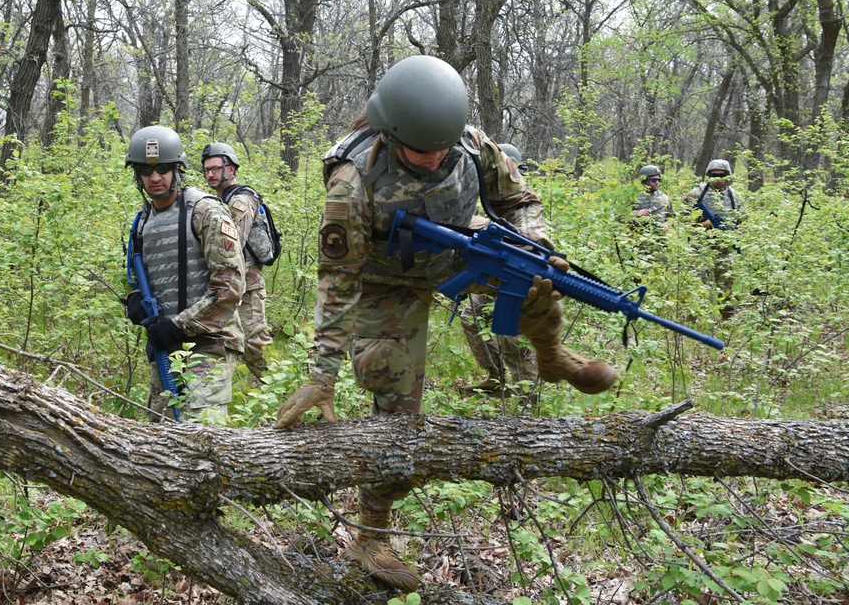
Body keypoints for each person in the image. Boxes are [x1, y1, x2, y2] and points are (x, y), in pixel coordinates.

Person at [274, 55, 617, 593]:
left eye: (443, 148)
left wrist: (538, 240)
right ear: (389, 133)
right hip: (389, 279)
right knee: (391, 392)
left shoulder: (470, 144)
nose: (436, 159)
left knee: (532, 275)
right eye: (421, 150)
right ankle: (372, 535)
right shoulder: (352, 180)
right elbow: (339, 280)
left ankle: (552, 355)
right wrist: (322, 374)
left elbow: (519, 200)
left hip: (458, 244)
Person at [123, 126, 246, 421]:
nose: (155, 177)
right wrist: (134, 302)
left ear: (177, 169)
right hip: (165, 347)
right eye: (146, 170)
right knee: (162, 436)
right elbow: (135, 279)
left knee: (201, 438)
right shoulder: (143, 221)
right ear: (137, 175)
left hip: (208, 342)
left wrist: (179, 324)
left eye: (163, 168)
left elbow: (229, 287)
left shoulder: (204, 211)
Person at [459, 143, 536, 398]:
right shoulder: (493, 197)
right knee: (471, 317)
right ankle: (496, 378)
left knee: (512, 338)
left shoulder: (526, 202)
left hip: (521, 275)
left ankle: (526, 397)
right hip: (497, 271)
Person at [201, 141, 273, 383]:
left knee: (256, 347)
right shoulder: (219, 200)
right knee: (224, 346)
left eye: (216, 169)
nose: (210, 174)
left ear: (230, 170)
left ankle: (285, 394)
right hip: (229, 285)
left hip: (247, 286)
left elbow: (232, 246)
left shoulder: (239, 201)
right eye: (207, 169)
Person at [683, 158, 743, 314]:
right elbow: (679, 220)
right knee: (697, 285)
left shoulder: (734, 196)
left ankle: (726, 319)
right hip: (700, 249)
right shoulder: (696, 194)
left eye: (721, 175)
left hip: (724, 249)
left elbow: (743, 221)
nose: (717, 178)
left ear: (727, 176)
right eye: (714, 175)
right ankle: (694, 318)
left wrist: (735, 236)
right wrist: (701, 225)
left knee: (726, 286)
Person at [631, 164, 674, 230]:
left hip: (660, 237)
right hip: (636, 236)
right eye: (654, 180)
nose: (657, 182)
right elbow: (620, 216)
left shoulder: (665, 198)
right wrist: (637, 213)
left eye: (659, 180)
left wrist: (667, 225)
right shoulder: (632, 196)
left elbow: (671, 218)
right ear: (644, 180)